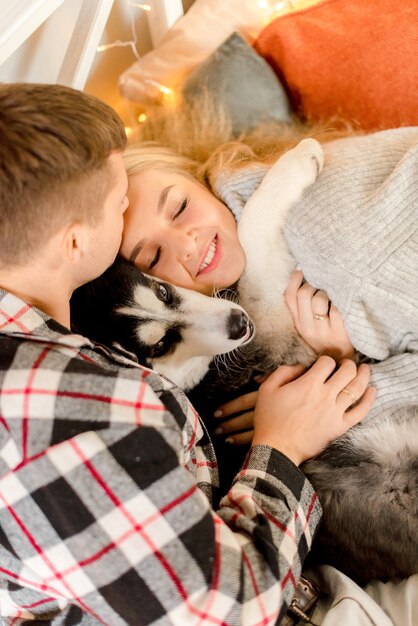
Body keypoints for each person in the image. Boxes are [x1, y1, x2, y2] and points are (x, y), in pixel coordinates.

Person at [0, 83, 374, 625]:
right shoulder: (61, 406)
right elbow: (230, 615)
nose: (128, 201)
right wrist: (282, 447)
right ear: (76, 243)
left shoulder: (50, 348)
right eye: (118, 201)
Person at [119, 129, 418, 439]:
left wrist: (332, 398)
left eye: (180, 208)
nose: (186, 246)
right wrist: (337, 360)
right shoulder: (250, 201)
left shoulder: (331, 250)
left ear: (197, 179)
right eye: (154, 257)